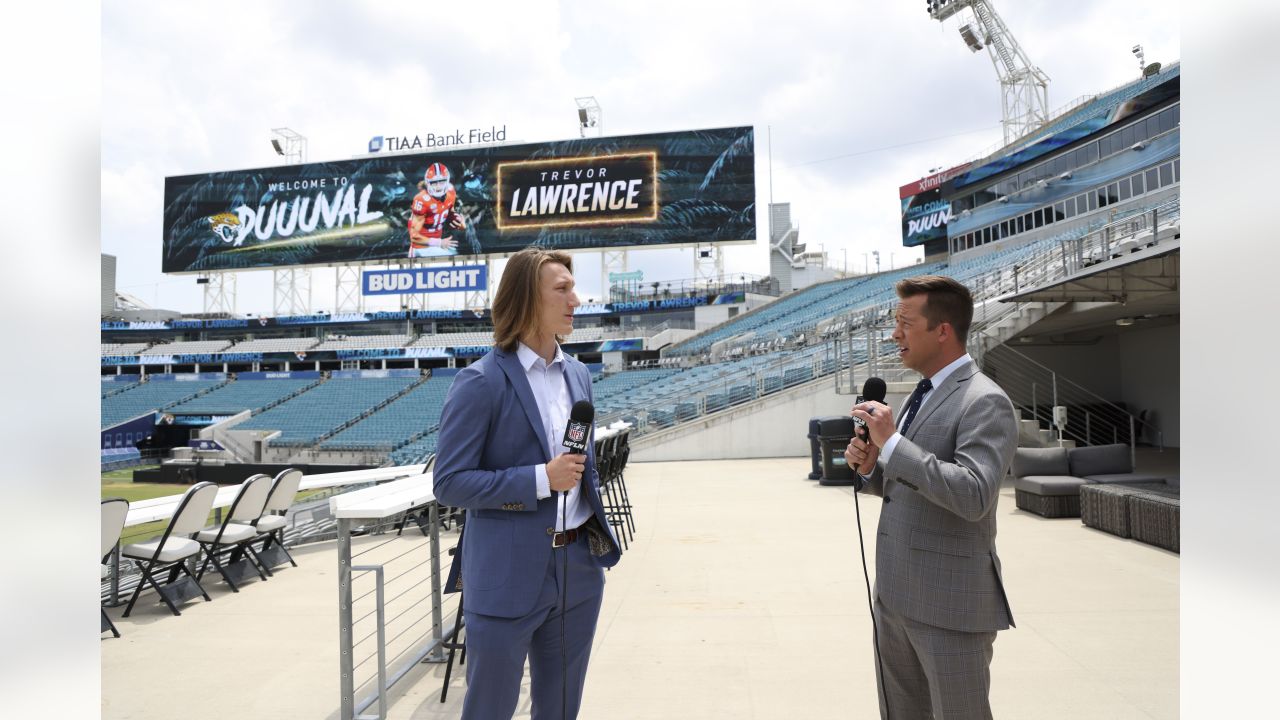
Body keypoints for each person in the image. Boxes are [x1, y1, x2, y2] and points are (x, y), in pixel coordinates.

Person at [433, 246, 621, 720]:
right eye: (562, 290)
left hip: (579, 569)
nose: (575, 300)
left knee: (560, 709)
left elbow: (582, 466)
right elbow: (451, 483)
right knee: (489, 710)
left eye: (573, 288)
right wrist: (541, 478)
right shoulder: (480, 382)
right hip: (505, 572)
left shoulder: (579, 374)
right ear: (525, 299)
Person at [844, 275, 1018, 720]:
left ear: (942, 330)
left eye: (904, 322)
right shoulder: (922, 394)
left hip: (949, 608)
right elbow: (914, 482)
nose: (894, 333)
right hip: (895, 600)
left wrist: (894, 445)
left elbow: (974, 493)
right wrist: (871, 468)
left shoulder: (985, 401)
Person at [408, 161, 466, 257]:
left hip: (437, 242)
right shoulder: (422, 199)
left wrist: (457, 220)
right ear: (427, 183)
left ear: (447, 181)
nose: (438, 187)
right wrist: (439, 243)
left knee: (458, 253)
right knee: (452, 257)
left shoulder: (450, 192)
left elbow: (450, 212)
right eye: (434, 182)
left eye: (442, 182)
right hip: (421, 247)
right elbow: (414, 237)